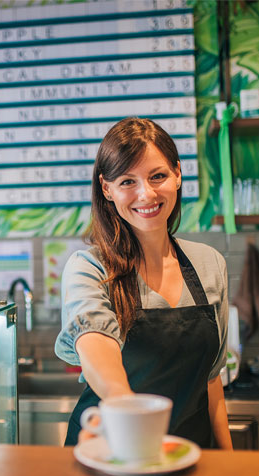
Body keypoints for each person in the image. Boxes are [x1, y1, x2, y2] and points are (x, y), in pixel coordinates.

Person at [55, 117, 233, 450]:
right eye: (127, 181)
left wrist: (228, 464)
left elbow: (211, 382)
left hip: (187, 455)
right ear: (106, 189)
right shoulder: (90, 267)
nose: (146, 194)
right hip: (109, 451)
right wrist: (125, 406)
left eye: (158, 176)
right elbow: (95, 342)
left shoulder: (210, 264)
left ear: (177, 174)